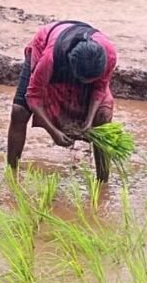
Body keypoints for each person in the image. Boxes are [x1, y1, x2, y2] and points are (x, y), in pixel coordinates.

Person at [7, 21, 118, 181]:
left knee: (102, 118)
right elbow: (33, 96)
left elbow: (100, 88)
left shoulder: (109, 54)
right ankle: (11, 173)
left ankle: (102, 181)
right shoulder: (50, 59)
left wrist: (88, 121)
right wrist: (54, 131)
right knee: (19, 112)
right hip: (46, 48)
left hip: (80, 67)